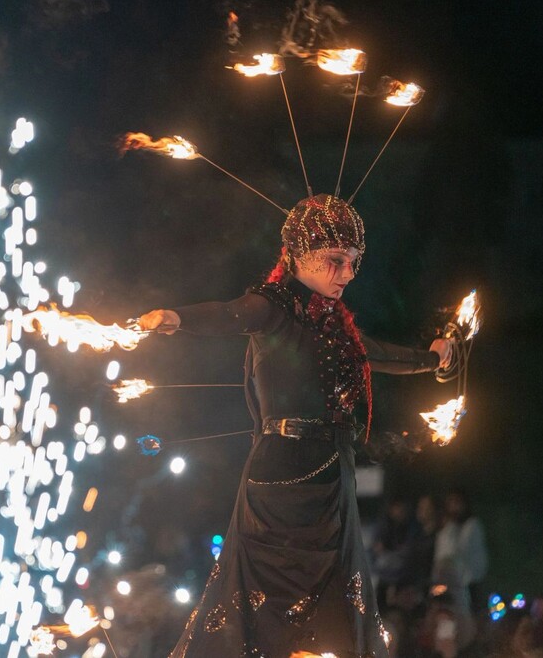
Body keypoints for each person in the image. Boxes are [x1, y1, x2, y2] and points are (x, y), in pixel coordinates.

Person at [138, 194, 452, 657]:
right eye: (335, 261)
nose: (346, 274)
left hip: (332, 475)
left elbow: (376, 353)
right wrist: (176, 317)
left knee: (334, 601)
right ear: (301, 254)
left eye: (353, 263)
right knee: (271, 600)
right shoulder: (273, 306)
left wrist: (431, 359)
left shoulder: (334, 323)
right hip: (281, 477)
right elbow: (229, 314)